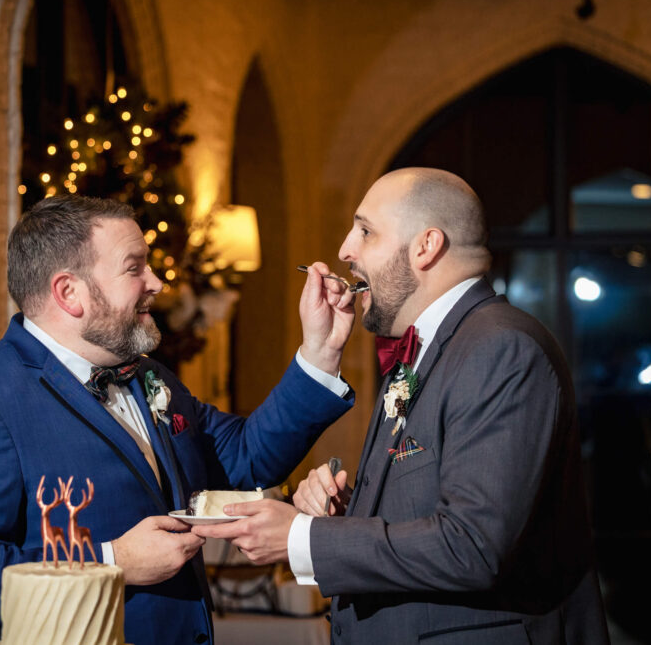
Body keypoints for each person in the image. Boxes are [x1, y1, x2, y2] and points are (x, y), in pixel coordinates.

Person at [0, 195, 356, 645]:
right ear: (69, 292)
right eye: (134, 267)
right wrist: (111, 560)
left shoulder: (148, 377)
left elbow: (244, 457)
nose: (157, 282)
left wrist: (321, 352)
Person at [195, 168, 610, 644]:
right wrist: (341, 514)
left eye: (366, 231)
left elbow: (473, 546)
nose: (345, 250)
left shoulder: (502, 348)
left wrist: (302, 539)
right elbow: (433, 507)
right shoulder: (427, 350)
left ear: (426, 246)